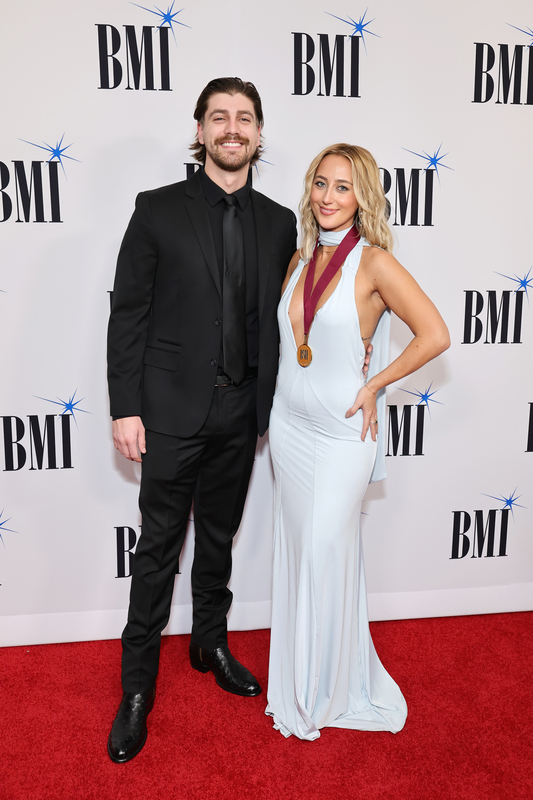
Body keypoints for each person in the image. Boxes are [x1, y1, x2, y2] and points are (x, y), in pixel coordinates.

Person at [106, 77, 297, 763]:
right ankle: (135, 688)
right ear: (200, 128)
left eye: (244, 118)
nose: (232, 128)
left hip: (241, 410)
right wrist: (125, 406)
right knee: (158, 547)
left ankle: (209, 641)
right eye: (219, 117)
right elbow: (127, 312)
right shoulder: (156, 210)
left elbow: (285, 319)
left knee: (217, 537)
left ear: (258, 133)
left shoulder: (279, 222)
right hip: (169, 411)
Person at [265, 143, 450, 740]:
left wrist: (377, 383)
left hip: (344, 430)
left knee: (325, 549)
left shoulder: (374, 263)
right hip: (289, 428)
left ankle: (331, 690)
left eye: (342, 187)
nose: (327, 197)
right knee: (303, 554)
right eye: (320, 183)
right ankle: (304, 681)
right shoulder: (298, 257)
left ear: (362, 196)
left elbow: (436, 334)